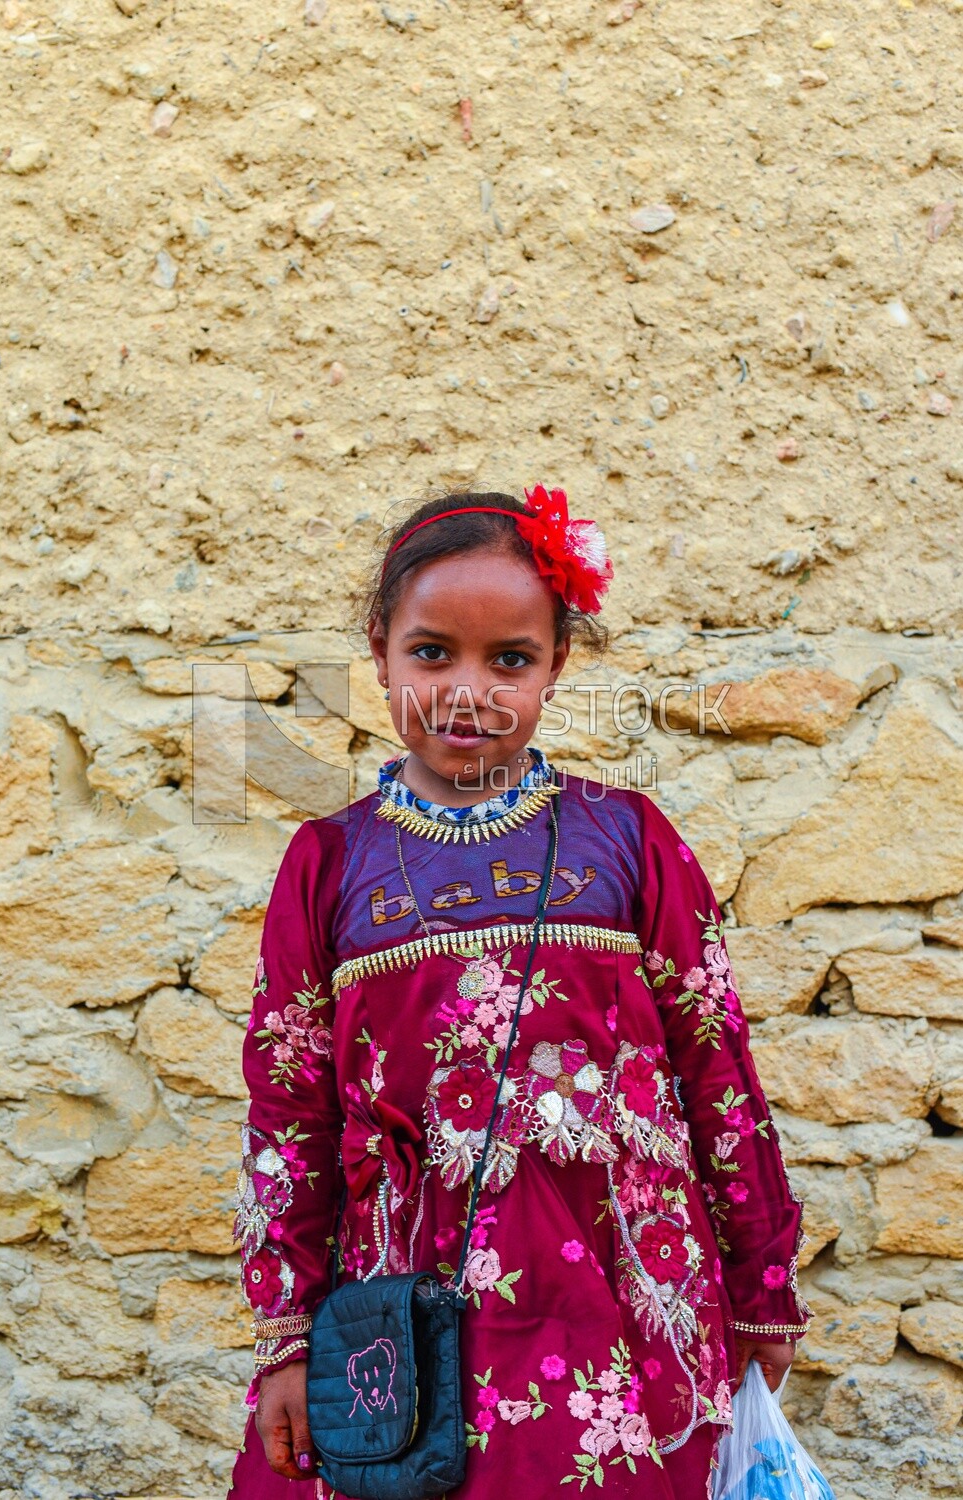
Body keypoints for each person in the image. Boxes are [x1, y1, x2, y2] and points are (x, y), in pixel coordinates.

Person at [227, 486, 812, 1500]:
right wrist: (286, 1339)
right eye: (429, 653)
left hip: (631, 1303)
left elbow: (715, 1069)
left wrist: (762, 1291)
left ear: (555, 666)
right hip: (407, 1313)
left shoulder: (628, 841)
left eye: (509, 660)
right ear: (377, 652)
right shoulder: (328, 863)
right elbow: (289, 1113)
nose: (467, 691)